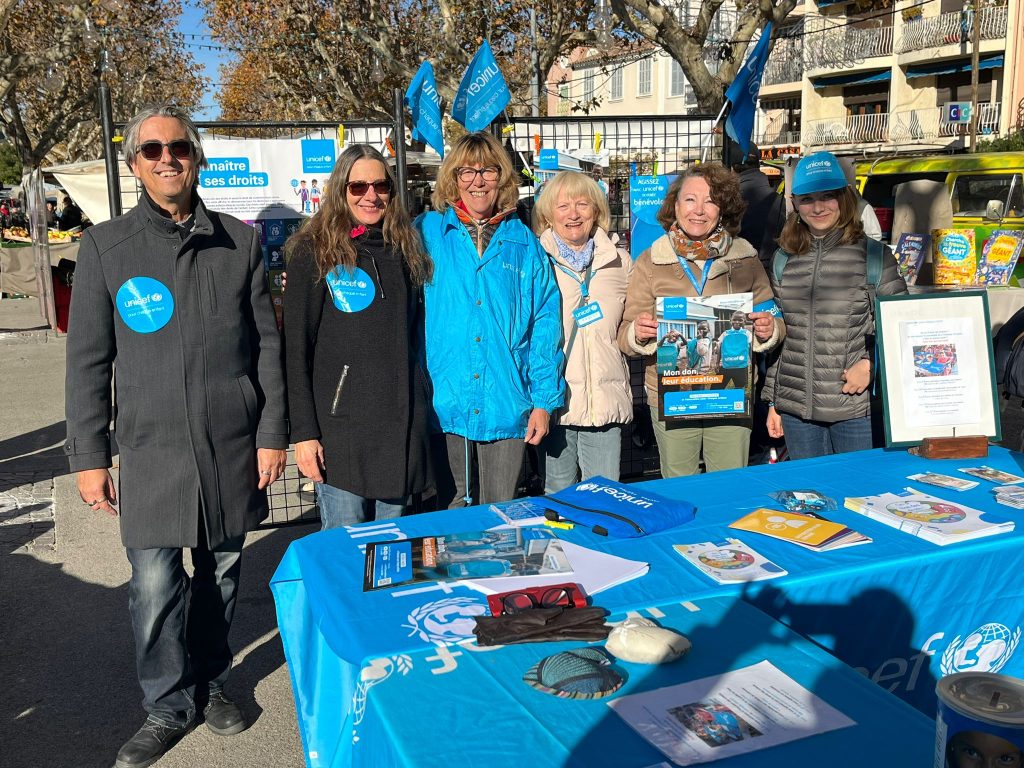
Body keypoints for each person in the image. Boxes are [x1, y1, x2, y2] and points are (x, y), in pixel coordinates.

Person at [64, 104, 288, 768]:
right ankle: (168, 701)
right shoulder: (105, 248)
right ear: (135, 164)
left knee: (220, 572)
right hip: (152, 450)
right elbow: (87, 361)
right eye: (153, 149)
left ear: (197, 157)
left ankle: (214, 680)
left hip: (228, 443)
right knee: (156, 583)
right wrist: (88, 455)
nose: (169, 158)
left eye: (180, 147)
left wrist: (271, 432)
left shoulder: (239, 243)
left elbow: (265, 349)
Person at [283, 144, 433, 527]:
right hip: (341, 430)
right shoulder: (313, 251)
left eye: (381, 186)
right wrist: (304, 434)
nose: (371, 195)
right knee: (347, 556)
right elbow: (296, 350)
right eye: (358, 187)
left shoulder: (406, 249)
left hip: (399, 428)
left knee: (394, 557)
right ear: (340, 191)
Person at [416, 131, 564, 507]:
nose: (477, 181)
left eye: (488, 171)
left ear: (503, 178)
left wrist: (544, 402)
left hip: (506, 400)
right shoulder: (428, 233)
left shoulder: (524, 243)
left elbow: (545, 324)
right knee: (452, 517)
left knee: (501, 514)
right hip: (444, 402)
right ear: (453, 177)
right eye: (467, 171)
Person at [618, 162, 784, 478]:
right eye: (690, 199)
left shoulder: (744, 257)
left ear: (723, 209)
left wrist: (768, 328)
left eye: (710, 200)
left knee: (730, 482)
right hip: (673, 396)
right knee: (681, 485)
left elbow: (773, 316)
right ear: (675, 206)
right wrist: (638, 333)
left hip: (730, 393)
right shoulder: (652, 260)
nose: (699, 210)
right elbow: (625, 331)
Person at [764, 151, 907, 459]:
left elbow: (902, 327)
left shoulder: (874, 257)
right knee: (808, 498)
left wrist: (870, 366)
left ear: (844, 198)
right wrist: (773, 401)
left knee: (859, 496)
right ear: (795, 202)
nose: (818, 207)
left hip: (855, 408)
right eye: (807, 198)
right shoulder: (783, 259)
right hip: (797, 412)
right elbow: (780, 338)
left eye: (828, 196)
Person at [532, 170, 632, 491]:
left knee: (604, 497)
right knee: (557, 500)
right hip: (555, 406)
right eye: (563, 206)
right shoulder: (536, 263)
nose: (573, 214)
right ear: (548, 214)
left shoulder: (620, 263)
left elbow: (631, 328)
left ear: (596, 211)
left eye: (582, 204)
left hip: (604, 406)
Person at [728, 143, 786, 274]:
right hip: (777, 273)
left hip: (738, 275)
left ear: (732, 169)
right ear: (758, 165)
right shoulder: (781, 201)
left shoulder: (729, 203)